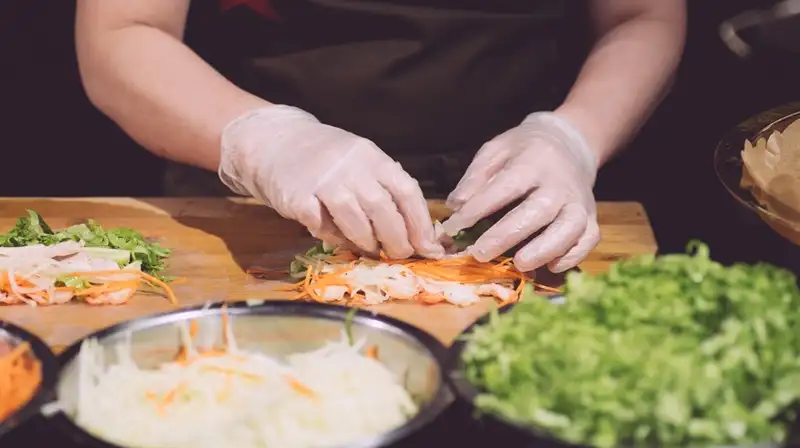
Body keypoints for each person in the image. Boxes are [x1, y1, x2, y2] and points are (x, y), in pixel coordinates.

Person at [75, 0, 686, 272]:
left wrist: (573, 138)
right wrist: (264, 141)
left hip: (526, 205)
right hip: (249, 206)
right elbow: (123, 32)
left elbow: (645, 16)